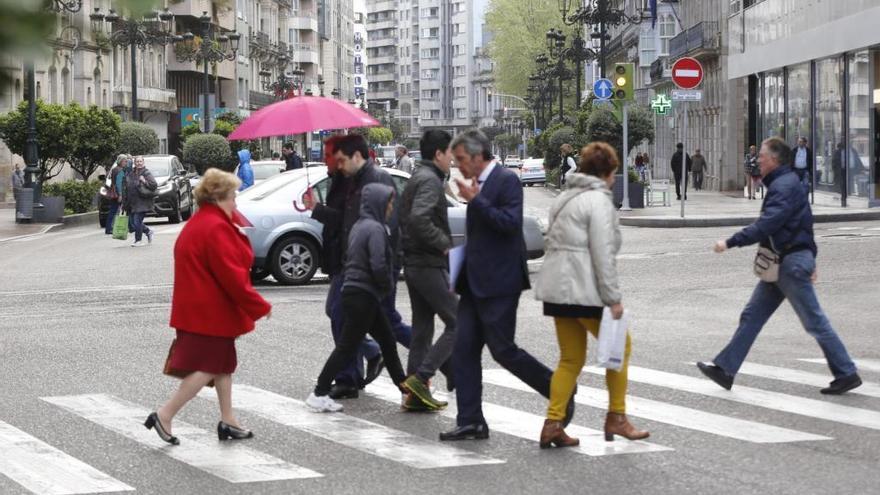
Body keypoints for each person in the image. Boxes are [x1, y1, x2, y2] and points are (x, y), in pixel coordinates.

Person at [697, 137, 862, 396]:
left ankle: (846, 372)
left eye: (762, 155)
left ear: (774, 159)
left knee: (814, 321)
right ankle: (725, 369)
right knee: (752, 315)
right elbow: (804, 224)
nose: (758, 160)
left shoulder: (783, 186)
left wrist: (731, 242)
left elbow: (770, 223)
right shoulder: (784, 183)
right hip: (782, 262)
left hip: (789, 264)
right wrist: (811, 256)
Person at [439, 129, 574, 442]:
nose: (458, 166)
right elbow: (481, 235)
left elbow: (509, 224)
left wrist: (478, 202)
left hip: (501, 281)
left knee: (503, 350)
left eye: (461, 160)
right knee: (463, 350)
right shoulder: (477, 185)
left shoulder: (506, 180)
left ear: (477, 156)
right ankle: (471, 420)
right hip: (473, 282)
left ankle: (560, 390)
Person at [534, 142, 649, 449]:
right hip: (583, 289)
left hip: (557, 288)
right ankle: (617, 417)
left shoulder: (564, 197)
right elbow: (603, 252)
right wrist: (613, 298)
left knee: (570, 358)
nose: (614, 178)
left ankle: (553, 423)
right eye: (613, 172)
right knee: (620, 347)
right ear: (606, 172)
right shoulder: (598, 201)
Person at [146, 169, 272, 445]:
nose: (236, 203)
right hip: (210, 312)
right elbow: (232, 275)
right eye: (232, 197)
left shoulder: (202, 222)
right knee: (208, 367)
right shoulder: (215, 227)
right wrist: (259, 305)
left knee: (223, 364)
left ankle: (228, 420)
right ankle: (165, 413)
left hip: (201, 309)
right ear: (218, 198)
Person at [304, 134, 409, 399]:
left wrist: (381, 273)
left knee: (381, 325)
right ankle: (365, 370)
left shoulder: (373, 180)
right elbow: (348, 222)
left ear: (355, 157)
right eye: (331, 158)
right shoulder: (347, 180)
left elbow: (377, 226)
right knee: (359, 322)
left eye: (337, 158)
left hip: (367, 268)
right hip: (354, 264)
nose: (334, 163)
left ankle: (432, 364)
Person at [399, 130, 457, 411]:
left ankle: (414, 396)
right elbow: (418, 218)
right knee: (459, 321)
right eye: (450, 154)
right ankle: (422, 379)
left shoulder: (419, 177)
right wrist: (443, 244)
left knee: (422, 328)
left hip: (414, 262)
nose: (452, 160)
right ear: (438, 154)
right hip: (427, 263)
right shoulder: (430, 181)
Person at [123, 155, 157, 247]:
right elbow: (127, 186)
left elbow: (154, 185)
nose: (138, 163)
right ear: (135, 163)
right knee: (134, 222)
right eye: (137, 161)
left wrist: (144, 181)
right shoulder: (132, 173)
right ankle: (148, 231)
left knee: (137, 221)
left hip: (142, 202)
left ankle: (138, 240)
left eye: (140, 161)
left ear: (143, 162)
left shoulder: (146, 173)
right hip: (132, 202)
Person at [104, 154, 129, 235]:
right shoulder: (120, 170)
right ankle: (111, 228)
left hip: (113, 192)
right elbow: (119, 183)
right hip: (117, 194)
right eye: (125, 161)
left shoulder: (114, 169)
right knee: (116, 211)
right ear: (121, 161)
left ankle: (109, 228)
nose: (126, 163)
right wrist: (121, 195)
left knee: (113, 211)